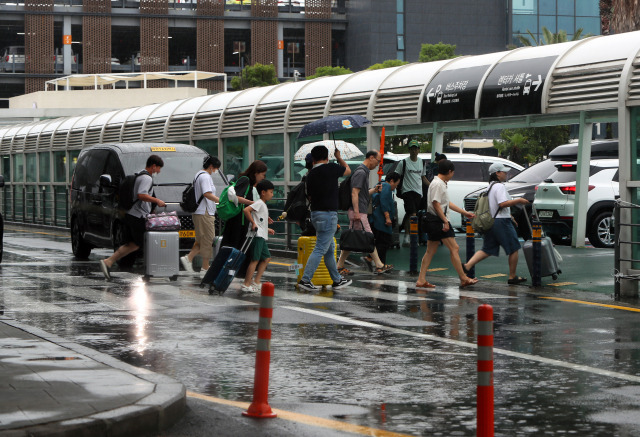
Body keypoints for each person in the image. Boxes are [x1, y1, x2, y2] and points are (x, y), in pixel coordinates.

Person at [99, 155, 166, 280]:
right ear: (153, 166)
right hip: (137, 216)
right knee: (145, 244)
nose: (159, 171)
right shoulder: (147, 178)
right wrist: (157, 200)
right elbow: (141, 195)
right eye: (159, 168)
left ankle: (108, 261)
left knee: (133, 244)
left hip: (131, 214)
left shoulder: (140, 174)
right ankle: (149, 272)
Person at [415, 159, 478, 289]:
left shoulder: (438, 183)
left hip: (433, 220)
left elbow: (446, 203)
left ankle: (421, 279)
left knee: (430, 251)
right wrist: (445, 221)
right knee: (454, 248)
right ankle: (463, 278)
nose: (452, 175)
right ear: (449, 171)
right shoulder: (438, 184)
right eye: (452, 173)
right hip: (438, 221)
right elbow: (436, 203)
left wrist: (464, 212)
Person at [462, 162, 529, 284]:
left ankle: (467, 266)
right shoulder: (499, 187)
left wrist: (511, 216)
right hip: (501, 222)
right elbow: (502, 204)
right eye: (504, 172)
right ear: (497, 173)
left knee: (487, 249)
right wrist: (518, 200)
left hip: (492, 221)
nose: (506, 174)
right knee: (514, 248)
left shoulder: (490, 187)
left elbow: (494, 205)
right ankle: (512, 276)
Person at [298, 145, 352, 292]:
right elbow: (348, 170)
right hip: (328, 214)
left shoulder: (310, 174)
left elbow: (309, 196)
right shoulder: (331, 168)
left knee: (329, 249)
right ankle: (305, 279)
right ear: (327, 157)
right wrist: (339, 157)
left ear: (313, 158)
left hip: (316, 214)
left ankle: (336, 280)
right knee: (320, 248)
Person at [336, 150, 391, 275]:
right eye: (377, 161)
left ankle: (339, 266)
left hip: (358, 211)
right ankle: (379, 265)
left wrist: (373, 190)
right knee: (369, 237)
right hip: (359, 212)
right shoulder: (361, 172)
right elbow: (354, 193)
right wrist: (356, 212)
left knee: (351, 239)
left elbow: (361, 193)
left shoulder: (362, 172)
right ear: (371, 158)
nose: (377, 164)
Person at [181, 155, 221, 274]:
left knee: (201, 240)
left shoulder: (198, 175)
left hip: (200, 212)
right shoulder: (205, 177)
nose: (216, 171)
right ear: (211, 166)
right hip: (205, 212)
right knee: (208, 239)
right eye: (216, 168)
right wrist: (219, 200)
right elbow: (207, 194)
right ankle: (198, 263)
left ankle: (199, 264)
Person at [221, 160, 268, 251]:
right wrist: (252, 203)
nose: (263, 177)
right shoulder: (245, 180)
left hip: (243, 221)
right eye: (263, 174)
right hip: (237, 221)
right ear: (256, 173)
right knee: (233, 248)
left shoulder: (253, 184)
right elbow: (236, 197)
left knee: (239, 249)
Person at [241, 179, 277, 292]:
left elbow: (260, 221)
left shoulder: (263, 204)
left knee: (266, 258)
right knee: (255, 260)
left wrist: (267, 229)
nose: (272, 194)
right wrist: (253, 223)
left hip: (261, 235)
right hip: (256, 236)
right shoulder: (259, 203)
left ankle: (256, 282)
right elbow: (246, 210)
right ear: (263, 192)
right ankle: (246, 284)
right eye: (270, 192)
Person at [396, 140, 429, 244]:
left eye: (416, 148)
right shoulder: (403, 162)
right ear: (409, 150)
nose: (414, 151)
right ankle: (410, 237)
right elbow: (397, 176)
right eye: (412, 148)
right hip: (407, 191)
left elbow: (423, 177)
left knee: (409, 213)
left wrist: (432, 186)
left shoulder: (422, 162)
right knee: (413, 214)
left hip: (418, 192)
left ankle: (406, 234)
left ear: (419, 150)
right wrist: (392, 186)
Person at [371, 172, 401, 265]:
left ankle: (377, 263)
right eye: (396, 184)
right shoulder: (386, 186)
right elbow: (384, 201)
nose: (396, 187)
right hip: (381, 220)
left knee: (380, 242)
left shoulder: (379, 183)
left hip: (376, 219)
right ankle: (380, 264)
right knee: (383, 242)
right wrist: (387, 217)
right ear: (392, 181)